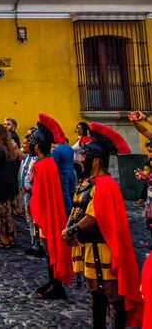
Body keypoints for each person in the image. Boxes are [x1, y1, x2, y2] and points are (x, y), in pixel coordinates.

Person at [63, 122, 142, 329]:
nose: (81, 159)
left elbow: (93, 216)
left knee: (109, 292)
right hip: (90, 246)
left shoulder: (105, 185)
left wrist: (71, 230)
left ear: (96, 160)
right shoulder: (89, 181)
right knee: (95, 292)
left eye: (85, 156)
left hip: (104, 248)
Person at [26, 121, 73, 301]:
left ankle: (56, 285)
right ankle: (53, 282)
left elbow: (39, 193)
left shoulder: (43, 165)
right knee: (48, 250)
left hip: (46, 214)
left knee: (50, 248)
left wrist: (34, 210)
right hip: (45, 212)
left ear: (37, 145)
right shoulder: (46, 163)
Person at [42, 113, 76, 213]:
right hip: (71, 172)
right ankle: (74, 209)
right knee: (72, 191)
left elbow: (53, 163)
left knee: (65, 193)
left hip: (62, 174)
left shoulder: (57, 150)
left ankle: (68, 211)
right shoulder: (69, 147)